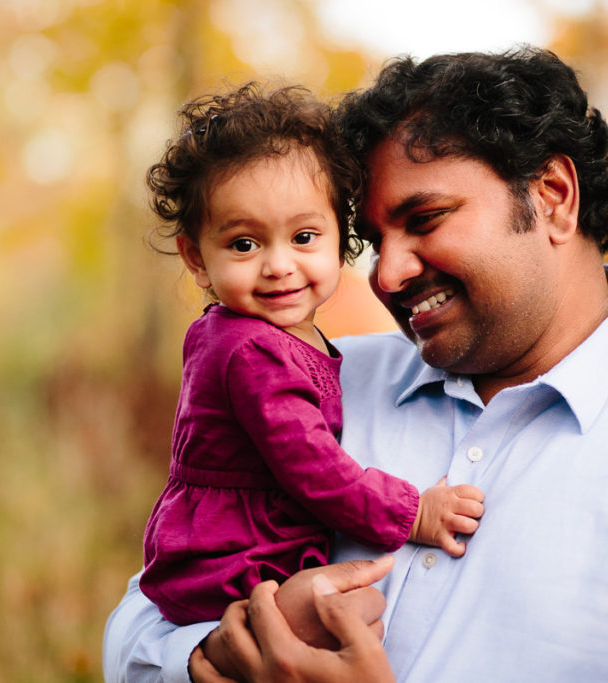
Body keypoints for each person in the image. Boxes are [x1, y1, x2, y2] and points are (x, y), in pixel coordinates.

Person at [104, 47, 608, 682]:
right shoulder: (317, 377)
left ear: (553, 197)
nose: (386, 274)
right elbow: (139, 624)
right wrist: (212, 663)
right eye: (374, 238)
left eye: (425, 219)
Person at [138, 83, 485, 629]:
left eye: (303, 236)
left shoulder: (279, 340)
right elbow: (315, 470)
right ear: (196, 258)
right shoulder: (251, 351)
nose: (278, 265)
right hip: (234, 559)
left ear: (338, 238)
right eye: (244, 245)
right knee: (363, 611)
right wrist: (412, 512)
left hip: (238, 550)